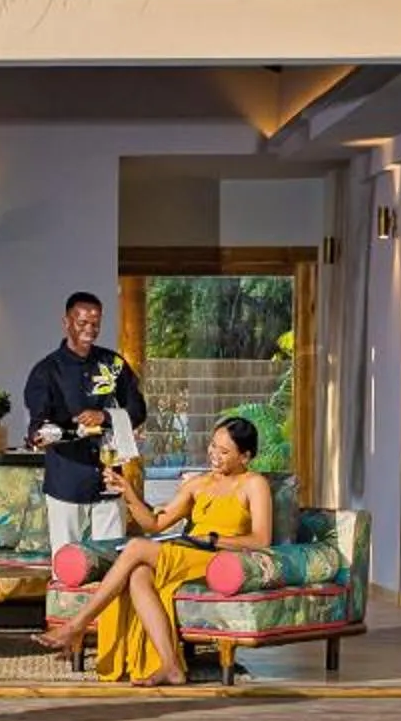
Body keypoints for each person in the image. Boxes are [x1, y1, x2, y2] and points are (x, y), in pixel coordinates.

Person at [41, 413, 274, 686]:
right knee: (139, 573)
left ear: (244, 457)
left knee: (137, 547)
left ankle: (77, 625)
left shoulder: (254, 484)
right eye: (212, 446)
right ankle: (171, 665)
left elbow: (261, 540)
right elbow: (154, 524)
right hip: (188, 550)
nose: (214, 455)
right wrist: (127, 492)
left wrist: (215, 540)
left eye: (224, 451)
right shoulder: (197, 485)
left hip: (221, 558)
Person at [21, 290, 148, 556]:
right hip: (67, 480)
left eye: (95, 323)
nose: (90, 329)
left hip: (109, 478)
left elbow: (138, 408)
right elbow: (38, 421)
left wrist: (106, 416)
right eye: (82, 323)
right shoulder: (46, 371)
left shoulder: (112, 364)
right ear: (66, 322)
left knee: (112, 560)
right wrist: (42, 434)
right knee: (67, 562)